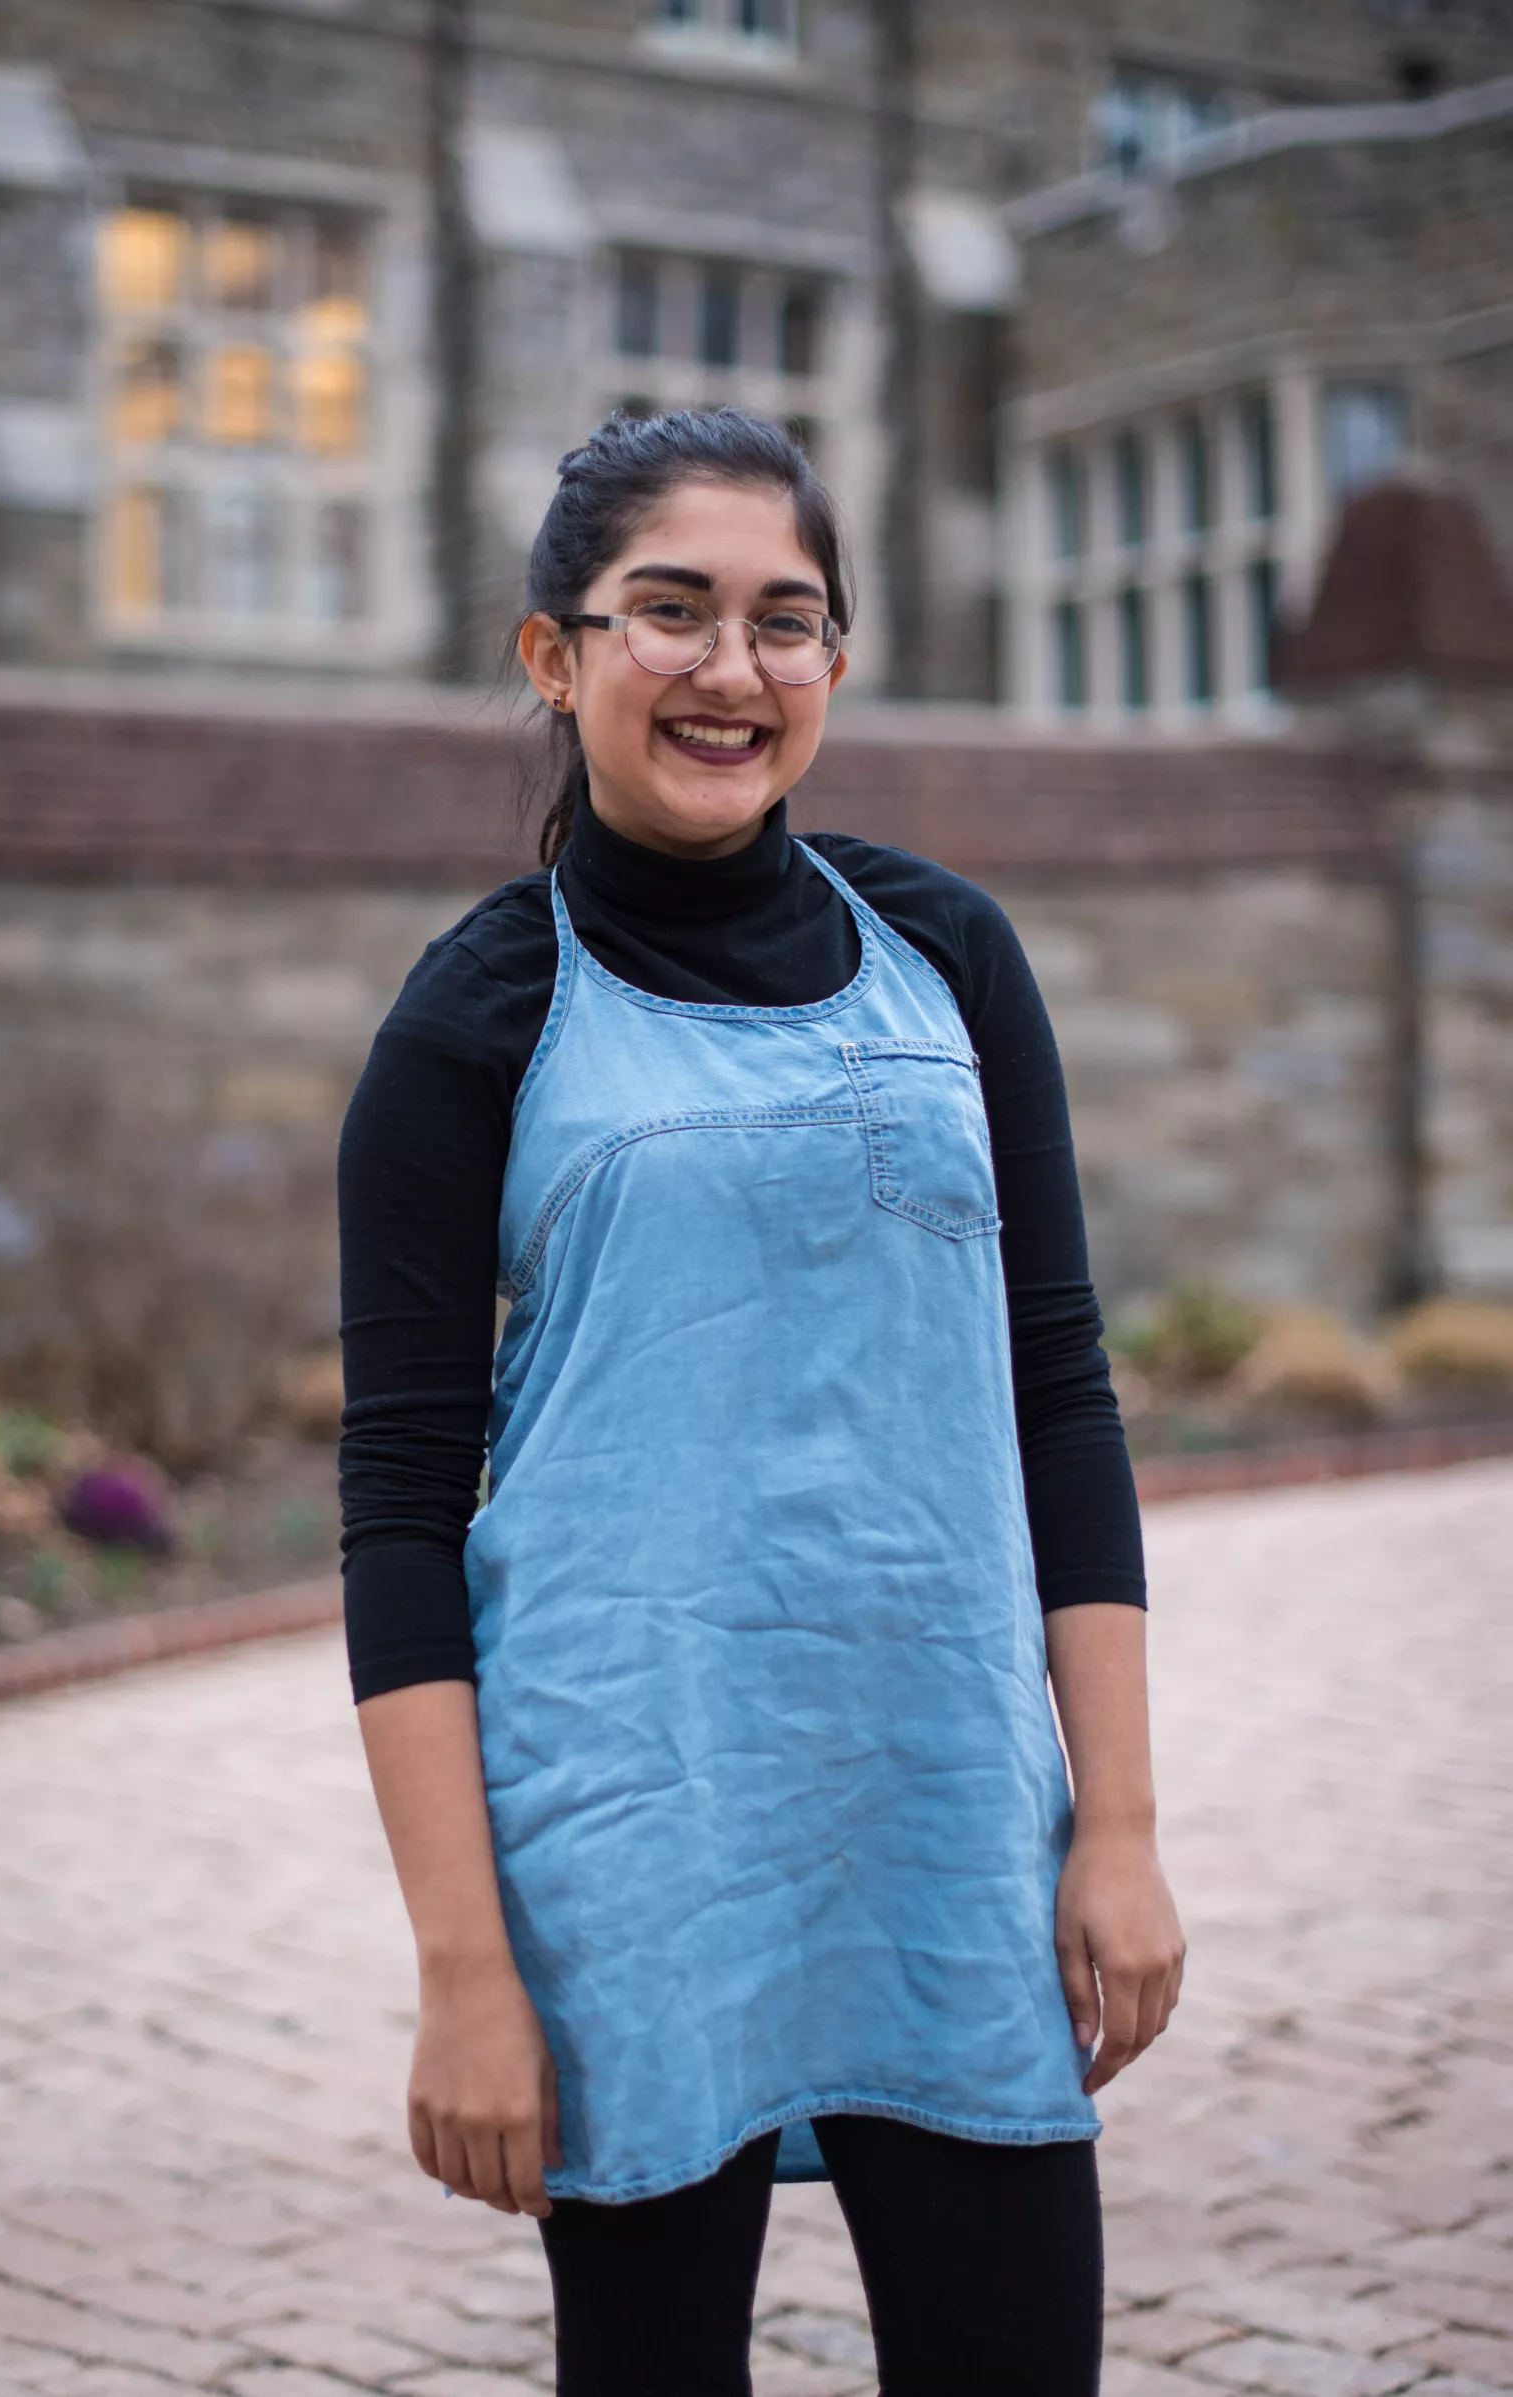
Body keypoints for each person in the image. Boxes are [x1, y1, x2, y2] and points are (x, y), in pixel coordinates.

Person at [338, 406, 1186, 2397]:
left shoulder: (951, 955)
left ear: (833, 657)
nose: (730, 669)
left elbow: (1055, 1393)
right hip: (633, 1847)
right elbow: (394, 1508)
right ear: (554, 655)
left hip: (944, 1827)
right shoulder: (475, 1016)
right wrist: (466, 1971)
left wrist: (1119, 1827)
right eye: (669, 613)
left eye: (783, 620)